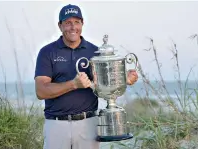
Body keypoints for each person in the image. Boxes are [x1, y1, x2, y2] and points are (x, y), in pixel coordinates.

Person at [34, 4, 138, 149]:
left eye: (77, 22)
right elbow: (41, 91)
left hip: (88, 124)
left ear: (82, 23)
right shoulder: (47, 52)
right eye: (68, 22)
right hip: (56, 125)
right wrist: (73, 84)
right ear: (60, 25)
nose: (73, 27)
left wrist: (123, 79)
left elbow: (105, 86)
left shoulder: (95, 53)